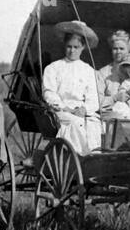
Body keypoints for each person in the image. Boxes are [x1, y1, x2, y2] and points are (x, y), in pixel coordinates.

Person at [42, 21, 103, 155]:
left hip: (82, 111)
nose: (72, 50)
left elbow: (94, 97)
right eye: (69, 46)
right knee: (76, 124)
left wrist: (84, 109)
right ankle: (79, 157)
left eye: (76, 47)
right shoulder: (53, 68)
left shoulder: (88, 70)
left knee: (96, 125)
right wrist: (65, 108)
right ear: (64, 46)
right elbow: (49, 93)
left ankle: (94, 157)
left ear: (83, 47)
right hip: (61, 111)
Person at [96, 30, 130, 109]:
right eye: (115, 49)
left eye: (122, 48)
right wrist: (114, 98)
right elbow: (96, 101)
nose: (118, 52)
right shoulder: (103, 73)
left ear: (129, 50)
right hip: (111, 116)